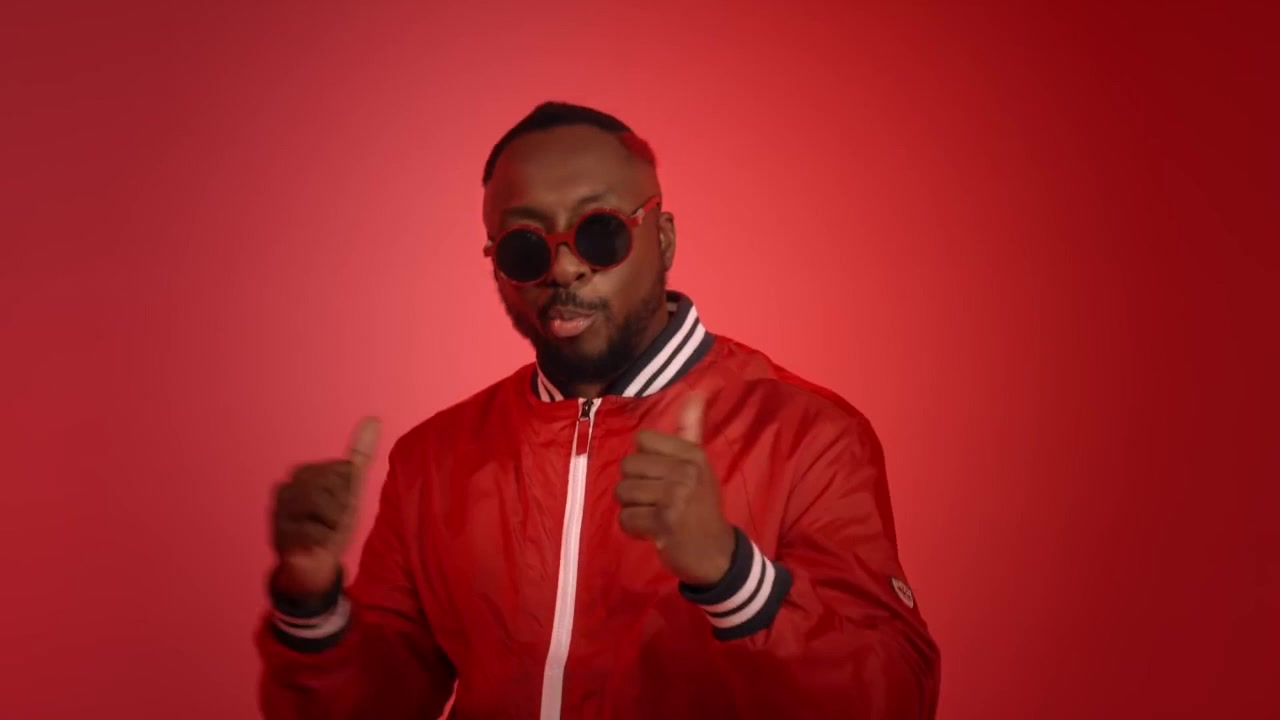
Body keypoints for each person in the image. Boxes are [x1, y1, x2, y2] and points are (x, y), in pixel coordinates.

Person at [257, 101, 941, 719]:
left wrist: (731, 572)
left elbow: (893, 698)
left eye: (600, 234)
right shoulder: (432, 460)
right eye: (526, 247)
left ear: (662, 238)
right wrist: (310, 601)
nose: (564, 270)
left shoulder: (807, 435)